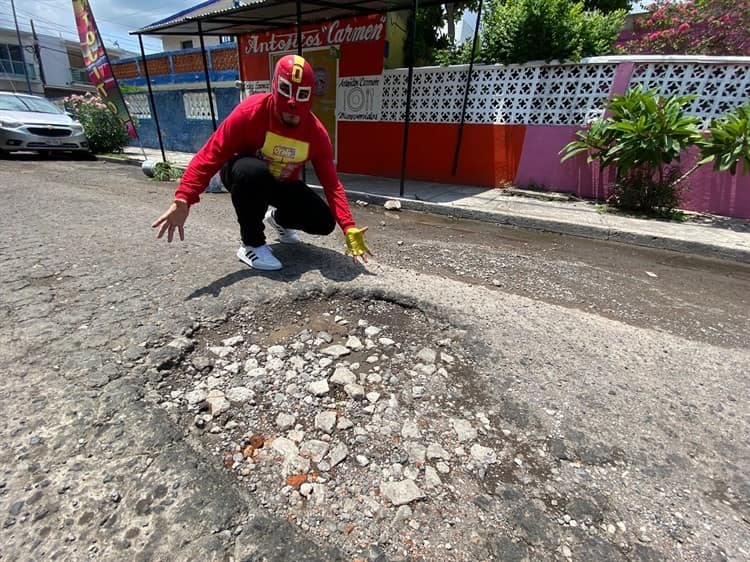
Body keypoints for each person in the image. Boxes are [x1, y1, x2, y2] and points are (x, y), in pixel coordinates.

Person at [152, 54, 372, 271]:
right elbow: (210, 155)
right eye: (285, 109)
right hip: (244, 174)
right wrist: (184, 198)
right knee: (252, 172)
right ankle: (251, 244)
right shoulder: (249, 113)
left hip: (281, 182)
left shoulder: (317, 134)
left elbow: (331, 184)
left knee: (323, 222)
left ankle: (278, 220)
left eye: (297, 111)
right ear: (275, 90)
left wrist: (349, 226)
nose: (292, 114)